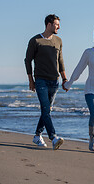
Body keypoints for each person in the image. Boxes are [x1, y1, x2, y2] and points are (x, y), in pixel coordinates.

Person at [24, 14, 67, 150]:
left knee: (47, 110)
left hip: (55, 81)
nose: (59, 27)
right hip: (41, 80)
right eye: (56, 24)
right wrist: (31, 80)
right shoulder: (35, 41)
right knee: (45, 109)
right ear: (48, 24)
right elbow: (27, 60)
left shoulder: (58, 41)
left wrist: (65, 78)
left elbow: (60, 61)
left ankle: (37, 135)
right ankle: (53, 138)